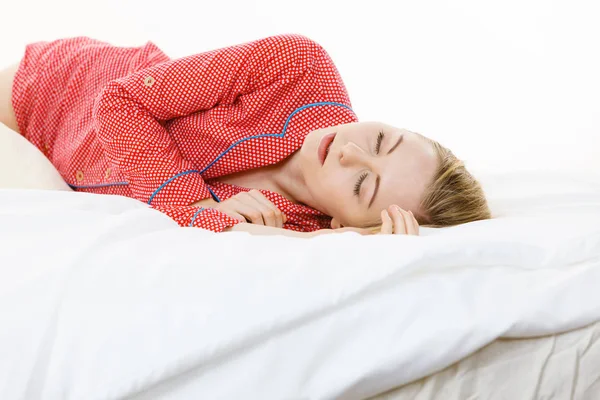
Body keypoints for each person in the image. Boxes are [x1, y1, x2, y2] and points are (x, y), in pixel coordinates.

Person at [0, 33, 491, 238]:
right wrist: (197, 209)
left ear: (347, 223)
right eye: (383, 139)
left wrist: (359, 244)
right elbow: (121, 102)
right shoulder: (299, 67)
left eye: (364, 186)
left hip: (54, 174)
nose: (349, 151)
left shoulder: (303, 231)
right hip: (58, 91)